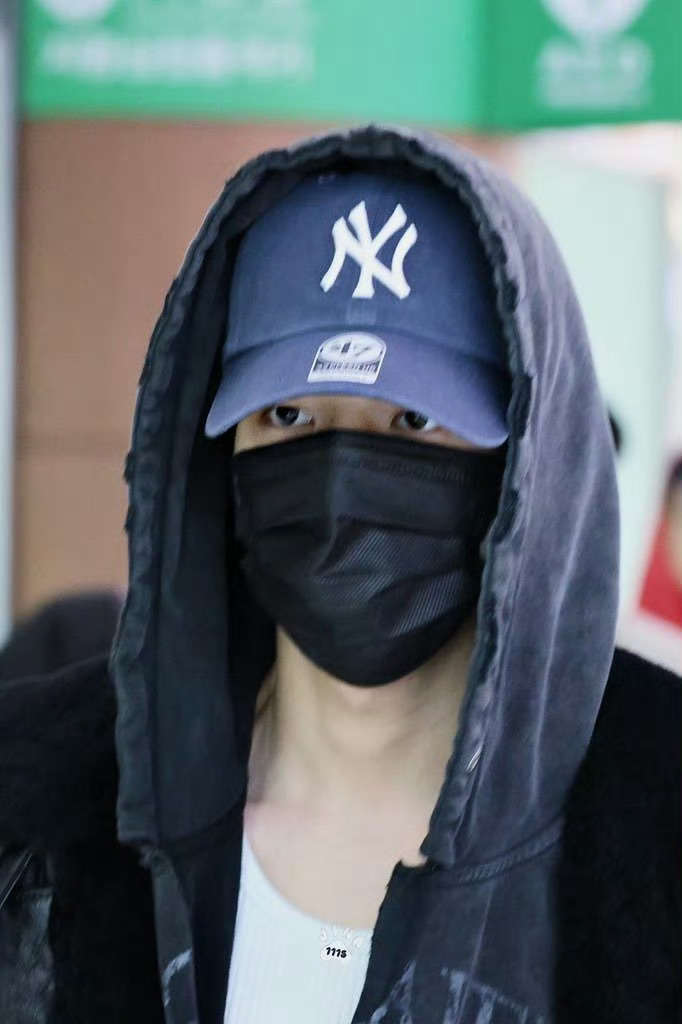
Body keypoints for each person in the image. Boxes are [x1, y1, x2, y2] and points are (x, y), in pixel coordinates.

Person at [0, 125, 679, 1024]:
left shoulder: (657, 818)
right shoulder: (34, 810)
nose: (340, 478)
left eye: (412, 420)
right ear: (219, 454)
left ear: (526, 460)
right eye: (289, 415)